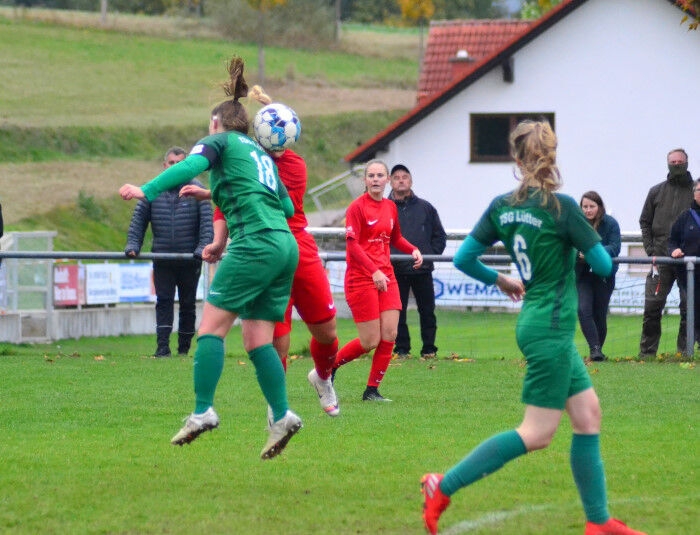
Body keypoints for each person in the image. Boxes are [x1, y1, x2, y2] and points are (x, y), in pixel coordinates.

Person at [420, 120, 646, 535]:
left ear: (516, 158)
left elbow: (464, 258)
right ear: (552, 155)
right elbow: (603, 265)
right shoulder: (562, 207)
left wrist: (501, 280)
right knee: (537, 433)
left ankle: (598, 521)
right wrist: (583, 243)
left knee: (588, 415)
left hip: (538, 323)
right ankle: (442, 485)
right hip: (551, 328)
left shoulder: (501, 206)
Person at [119, 56, 302, 460]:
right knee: (257, 339)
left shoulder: (218, 142)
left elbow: (190, 165)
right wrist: (215, 196)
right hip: (284, 246)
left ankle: (203, 411)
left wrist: (146, 189)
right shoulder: (260, 155)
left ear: (216, 123)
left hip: (254, 244)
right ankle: (281, 415)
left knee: (210, 330)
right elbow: (287, 207)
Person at [182, 85, 341, 418]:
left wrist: (209, 193)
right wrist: (218, 236)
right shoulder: (244, 155)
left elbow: (266, 198)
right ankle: (277, 409)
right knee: (274, 338)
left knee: (327, 332)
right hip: (261, 247)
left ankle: (322, 376)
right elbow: (232, 201)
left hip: (295, 244)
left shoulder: (294, 166)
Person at [331, 160, 423, 402]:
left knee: (390, 333)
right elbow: (353, 245)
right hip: (362, 277)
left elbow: (396, 237)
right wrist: (373, 271)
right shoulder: (356, 207)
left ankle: (371, 391)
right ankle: (329, 368)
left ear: (387, 180)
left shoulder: (390, 207)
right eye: (371, 175)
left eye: (380, 175)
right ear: (365, 180)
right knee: (370, 340)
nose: (375, 179)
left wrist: (413, 249)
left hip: (386, 276)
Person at [125, 147, 213, 357]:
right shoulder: (153, 190)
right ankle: (162, 348)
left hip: (190, 260)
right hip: (162, 258)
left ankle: (184, 349)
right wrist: (133, 245)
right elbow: (138, 221)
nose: (175, 167)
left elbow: (207, 225)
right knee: (163, 301)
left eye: (180, 164)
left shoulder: (198, 190)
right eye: (171, 163)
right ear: (165, 166)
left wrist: (202, 248)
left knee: (188, 304)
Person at [639, 148, 693, 359]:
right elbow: (644, 221)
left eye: (680, 161)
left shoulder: (696, 192)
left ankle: (685, 353)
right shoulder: (656, 192)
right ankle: (647, 354)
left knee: (689, 308)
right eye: (673, 161)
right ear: (667, 163)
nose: (677, 164)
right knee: (652, 308)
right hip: (660, 260)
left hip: (688, 262)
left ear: (687, 162)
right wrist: (650, 250)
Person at [388, 164, 446, 359]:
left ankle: (429, 349)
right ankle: (402, 349)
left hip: (423, 269)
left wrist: (428, 255)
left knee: (427, 311)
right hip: (395, 269)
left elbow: (439, 236)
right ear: (391, 182)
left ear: (411, 181)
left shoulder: (426, 208)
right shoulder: (384, 208)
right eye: (396, 177)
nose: (401, 180)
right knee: (398, 312)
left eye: (404, 177)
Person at [576, 191, 621, 361]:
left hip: (604, 274)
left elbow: (615, 247)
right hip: (582, 274)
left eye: (591, 206)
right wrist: (578, 253)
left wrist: (593, 252)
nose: (588, 210)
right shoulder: (576, 224)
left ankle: (597, 352)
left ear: (599, 206)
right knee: (583, 309)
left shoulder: (611, 224)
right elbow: (569, 245)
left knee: (599, 314)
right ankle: (594, 349)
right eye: (585, 206)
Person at [668, 178, 700, 351]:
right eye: (699, 190)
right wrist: (674, 250)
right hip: (690, 276)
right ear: (694, 193)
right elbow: (672, 240)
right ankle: (687, 351)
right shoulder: (685, 217)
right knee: (691, 312)